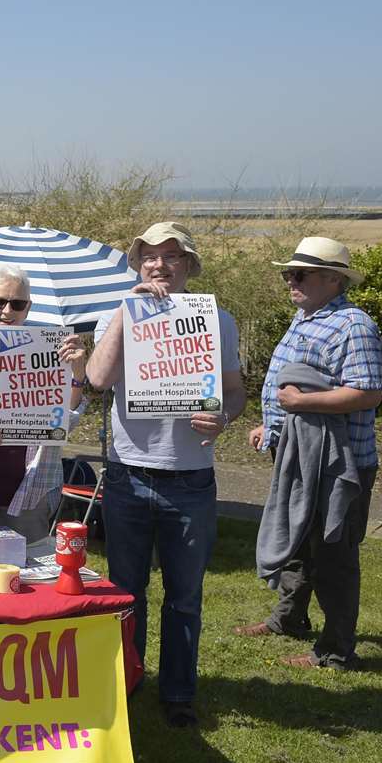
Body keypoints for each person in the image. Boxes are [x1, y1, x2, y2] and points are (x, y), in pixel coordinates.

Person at [83, 222, 245, 728]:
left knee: (184, 596)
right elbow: (96, 378)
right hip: (128, 475)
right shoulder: (117, 316)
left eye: (171, 257)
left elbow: (236, 391)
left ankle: (178, 693)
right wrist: (124, 313)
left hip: (191, 478)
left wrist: (224, 417)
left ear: (189, 267)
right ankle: (126, 683)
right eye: (149, 257)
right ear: (137, 266)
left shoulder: (217, 320)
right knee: (125, 591)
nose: (159, 265)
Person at [238, 237, 382, 670]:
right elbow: (293, 384)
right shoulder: (308, 317)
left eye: (299, 274)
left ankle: (336, 650)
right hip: (299, 454)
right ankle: (289, 618)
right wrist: (272, 424)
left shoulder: (352, 324)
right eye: (288, 273)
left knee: (334, 553)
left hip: (339, 464)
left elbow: (366, 392)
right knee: (299, 539)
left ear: (333, 279)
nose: (290, 281)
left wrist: (300, 405)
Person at [0, 264, 88, 545]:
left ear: (28, 308)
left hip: (30, 495)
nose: (7, 311)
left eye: (17, 304)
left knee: (30, 583)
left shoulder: (52, 355)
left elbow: (65, 423)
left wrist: (78, 375)